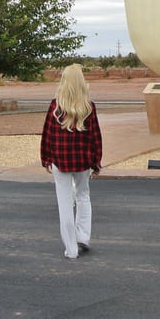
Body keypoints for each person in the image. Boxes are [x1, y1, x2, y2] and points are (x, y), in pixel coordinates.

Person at [40, 63, 103, 260]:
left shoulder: (55, 107)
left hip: (60, 161)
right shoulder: (88, 107)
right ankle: (83, 236)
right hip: (82, 161)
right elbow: (95, 137)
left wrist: (46, 158)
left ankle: (71, 249)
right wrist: (96, 162)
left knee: (65, 203)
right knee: (83, 196)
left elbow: (47, 134)